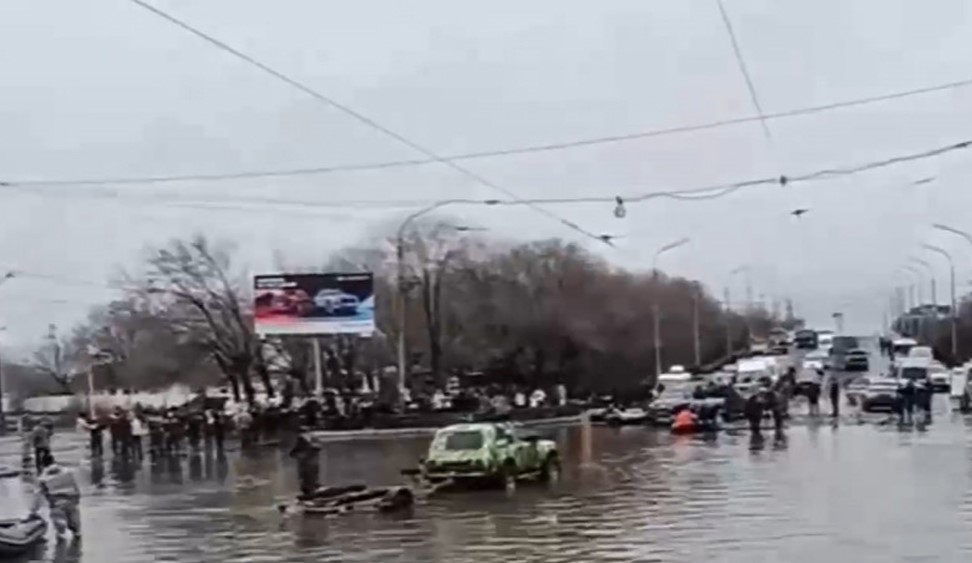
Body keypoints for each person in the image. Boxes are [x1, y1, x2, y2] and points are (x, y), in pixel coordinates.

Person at [37, 452, 81, 540]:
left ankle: (61, 542)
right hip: (71, 499)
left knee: (59, 526)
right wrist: (77, 496)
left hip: (56, 502)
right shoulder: (67, 471)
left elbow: (43, 492)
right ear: (54, 461)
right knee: (75, 524)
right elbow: (75, 485)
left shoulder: (43, 477)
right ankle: (76, 535)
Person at [289, 433, 321, 499]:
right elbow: (292, 454)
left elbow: (316, 448)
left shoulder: (312, 444)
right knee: (306, 483)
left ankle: (311, 495)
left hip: (310, 467)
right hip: (306, 467)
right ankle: (310, 495)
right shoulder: (302, 446)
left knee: (310, 482)